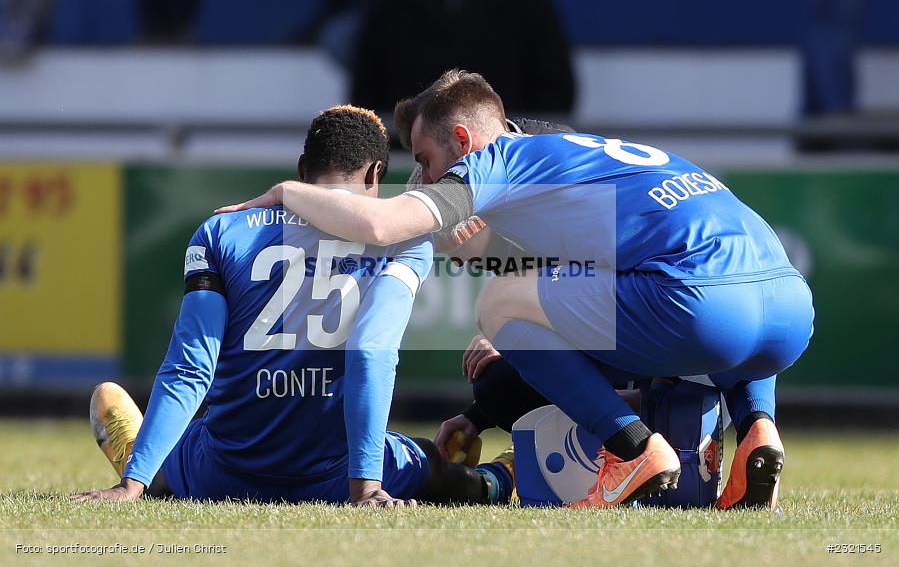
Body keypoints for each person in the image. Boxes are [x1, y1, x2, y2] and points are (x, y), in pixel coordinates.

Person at [214, 71, 815, 511]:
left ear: (463, 140)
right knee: (539, 301)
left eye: (424, 160)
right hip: (787, 311)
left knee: (497, 306)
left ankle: (632, 450)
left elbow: (382, 225)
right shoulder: (580, 156)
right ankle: (759, 429)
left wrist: (285, 194)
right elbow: (533, 262)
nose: (423, 179)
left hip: (702, 308)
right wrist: (482, 413)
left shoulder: (495, 160)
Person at [71, 105, 513, 507]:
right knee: (421, 460)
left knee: (192, 447)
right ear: (377, 174)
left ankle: (142, 465)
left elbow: (191, 368)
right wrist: (366, 489)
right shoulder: (403, 241)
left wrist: (128, 489)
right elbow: (370, 351)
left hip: (223, 476)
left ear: (303, 170)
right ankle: (500, 478)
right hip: (335, 480)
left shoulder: (220, 231)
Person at [351, 0, 574, 116]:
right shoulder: (395, 0)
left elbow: (555, 91)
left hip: (504, 166)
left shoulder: (528, 2)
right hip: (408, 157)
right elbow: (367, 86)